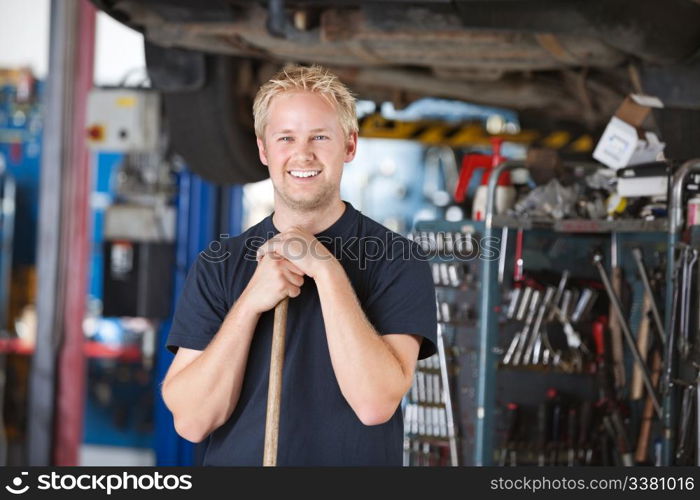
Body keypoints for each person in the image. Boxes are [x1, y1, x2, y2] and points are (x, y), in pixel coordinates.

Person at [162, 64, 437, 466]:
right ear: (264, 150)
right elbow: (192, 421)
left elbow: (374, 404)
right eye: (286, 137)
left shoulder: (397, 261)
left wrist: (326, 270)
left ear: (350, 145)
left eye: (320, 137)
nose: (302, 153)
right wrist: (250, 303)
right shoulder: (219, 265)